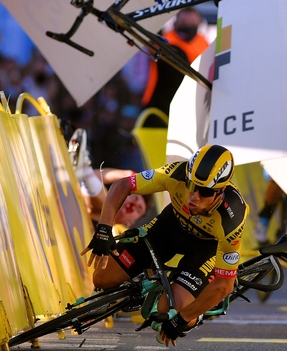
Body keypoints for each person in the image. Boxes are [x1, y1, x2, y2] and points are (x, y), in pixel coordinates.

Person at [82, 144, 248, 346]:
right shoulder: (176, 172)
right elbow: (122, 185)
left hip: (206, 249)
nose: (193, 196)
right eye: (191, 185)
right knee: (102, 278)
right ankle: (143, 275)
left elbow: (224, 285)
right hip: (170, 228)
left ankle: (195, 311)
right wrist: (104, 229)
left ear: (219, 192)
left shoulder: (232, 218)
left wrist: (183, 319)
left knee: (168, 312)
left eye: (204, 191)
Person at [141, 7, 209, 121]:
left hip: (190, 102)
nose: (188, 25)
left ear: (199, 23)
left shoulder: (203, 42)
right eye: (184, 22)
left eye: (192, 23)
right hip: (161, 101)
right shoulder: (165, 41)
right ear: (175, 23)